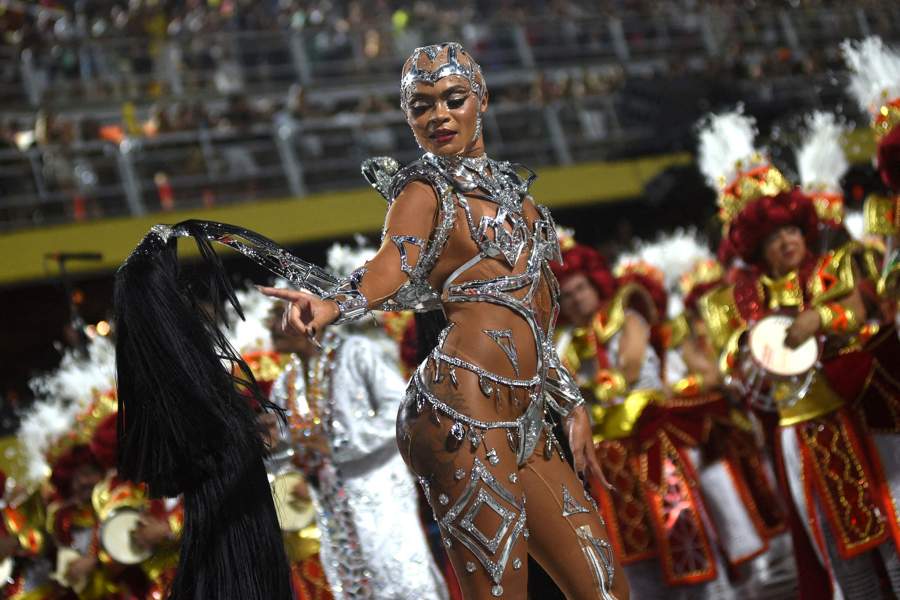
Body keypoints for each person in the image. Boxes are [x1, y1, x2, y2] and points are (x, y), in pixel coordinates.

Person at [260, 42, 625, 600]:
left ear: (482, 99)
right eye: (421, 106)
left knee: (603, 584)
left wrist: (570, 401)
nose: (439, 116)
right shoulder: (423, 191)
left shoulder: (520, 200)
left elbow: (529, 314)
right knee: (500, 592)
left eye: (454, 99)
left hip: (526, 413)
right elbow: (391, 263)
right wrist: (332, 304)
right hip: (460, 410)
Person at [698, 108, 900, 599]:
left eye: (790, 230)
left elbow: (861, 307)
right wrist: (747, 355)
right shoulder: (735, 303)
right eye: (773, 237)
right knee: (838, 552)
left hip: (859, 413)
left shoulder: (836, 264)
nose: (786, 241)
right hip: (798, 432)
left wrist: (821, 318)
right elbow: (730, 366)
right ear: (756, 247)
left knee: (894, 522)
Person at [264, 306, 448, 600]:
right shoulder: (286, 384)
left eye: (277, 317)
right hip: (331, 510)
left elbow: (402, 412)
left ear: (309, 321)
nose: (269, 326)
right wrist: (273, 448)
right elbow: (288, 451)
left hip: (379, 497)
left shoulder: (356, 353)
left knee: (403, 582)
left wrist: (339, 445)